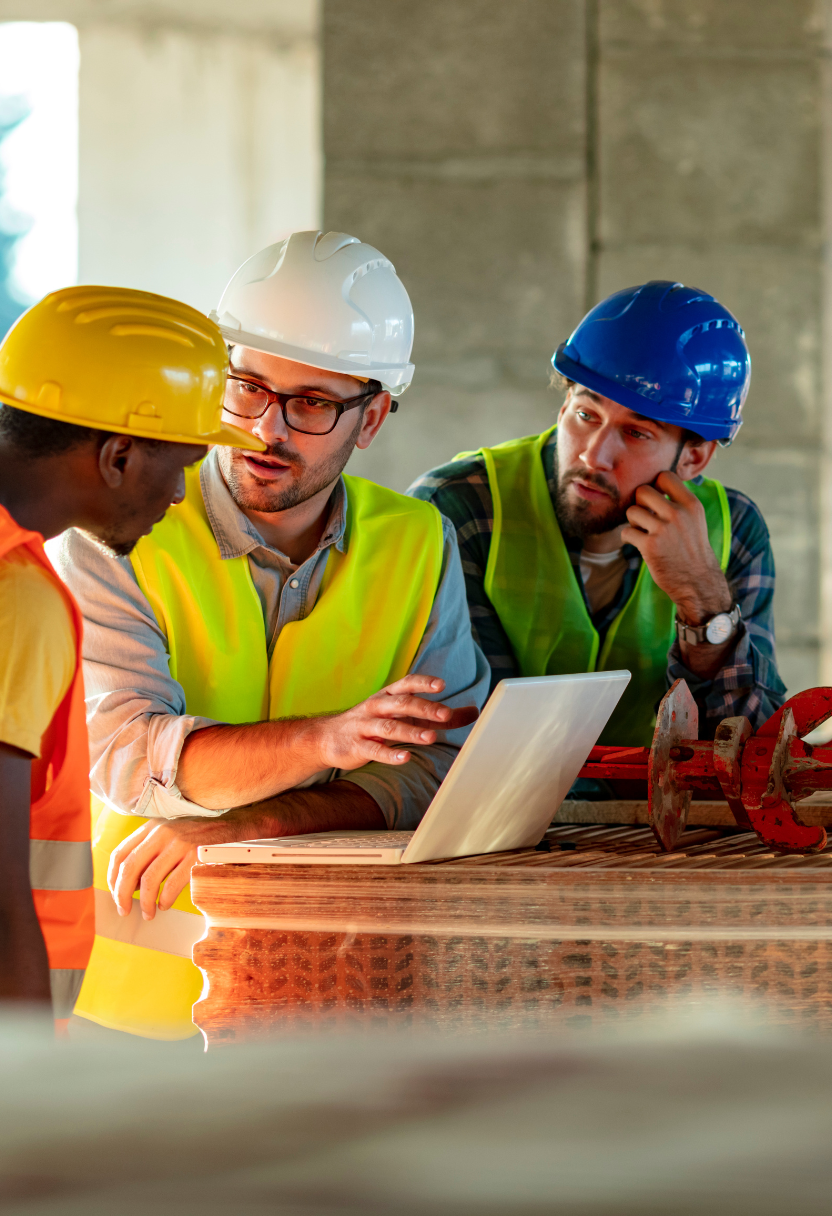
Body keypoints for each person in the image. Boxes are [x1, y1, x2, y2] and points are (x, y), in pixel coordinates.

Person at [53, 230, 488, 1041]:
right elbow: (126, 758)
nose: (266, 428)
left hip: (334, 996)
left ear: (375, 416)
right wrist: (328, 743)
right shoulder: (111, 529)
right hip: (125, 999)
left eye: (313, 403)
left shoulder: (418, 543)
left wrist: (254, 825)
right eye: (246, 386)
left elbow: (440, 776)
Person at [0, 284, 256, 1027]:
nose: (181, 495)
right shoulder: (17, 595)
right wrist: (24, 1087)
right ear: (117, 455)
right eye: (181, 465)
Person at [410, 280, 786, 749]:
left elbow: (754, 752)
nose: (594, 456)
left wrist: (704, 600)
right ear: (565, 401)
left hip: (661, 822)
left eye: (636, 433)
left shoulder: (735, 531)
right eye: (586, 415)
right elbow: (461, 729)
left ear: (693, 459)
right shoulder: (458, 508)